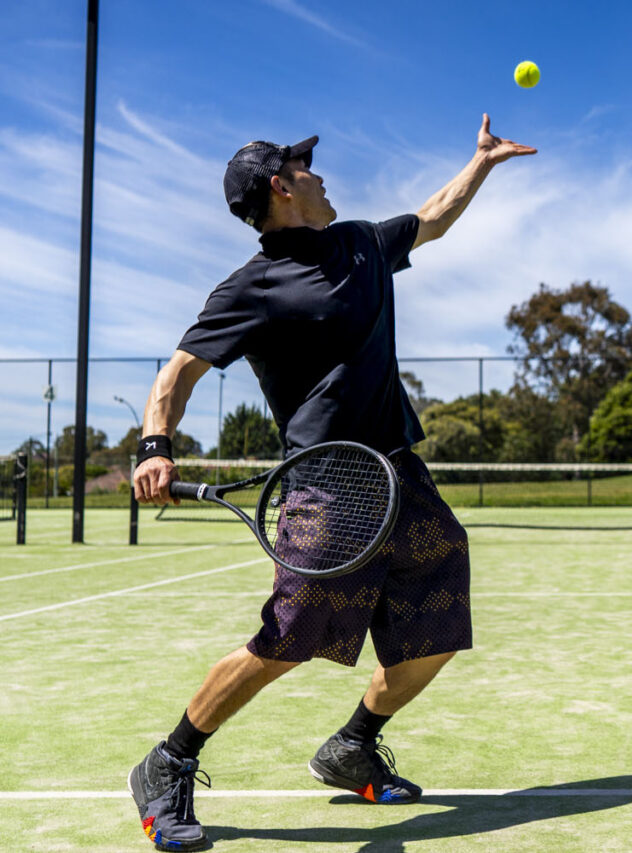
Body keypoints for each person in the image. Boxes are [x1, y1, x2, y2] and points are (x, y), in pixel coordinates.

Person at [126, 115, 535, 852]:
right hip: (326, 484)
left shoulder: (362, 243)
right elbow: (178, 370)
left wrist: (482, 163)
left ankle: (353, 745)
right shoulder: (250, 287)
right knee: (289, 637)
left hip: (401, 474)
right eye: (306, 167)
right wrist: (156, 443)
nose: (322, 173)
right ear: (282, 188)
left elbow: (436, 216)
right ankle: (168, 761)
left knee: (439, 626)